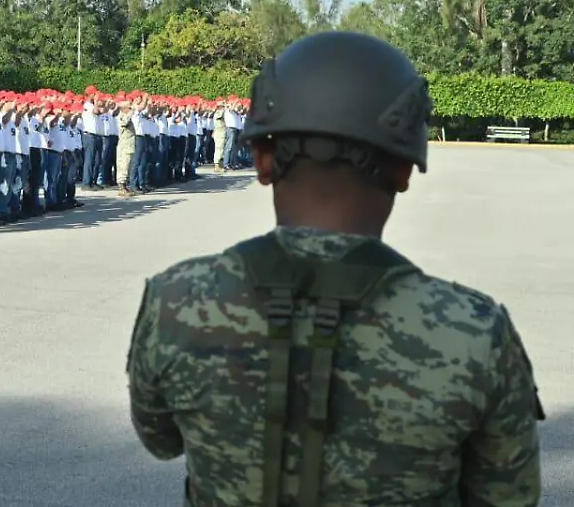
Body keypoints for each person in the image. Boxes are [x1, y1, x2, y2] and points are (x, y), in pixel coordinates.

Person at [126, 31, 543, 506]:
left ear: (262, 160)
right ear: (404, 170)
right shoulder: (475, 332)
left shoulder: (177, 302)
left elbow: (161, 440)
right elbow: (507, 496)